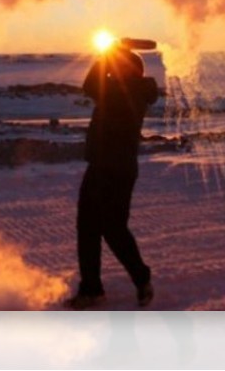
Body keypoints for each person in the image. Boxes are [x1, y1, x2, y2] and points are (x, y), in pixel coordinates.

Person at [66, 43, 158, 310]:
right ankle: (98, 288)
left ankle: (133, 281)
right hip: (110, 167)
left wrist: (108, 53)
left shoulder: (122, 93)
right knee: (98, 228)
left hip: (110, 169)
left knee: (104, 229)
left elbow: (90, 85)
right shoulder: (134, 91)